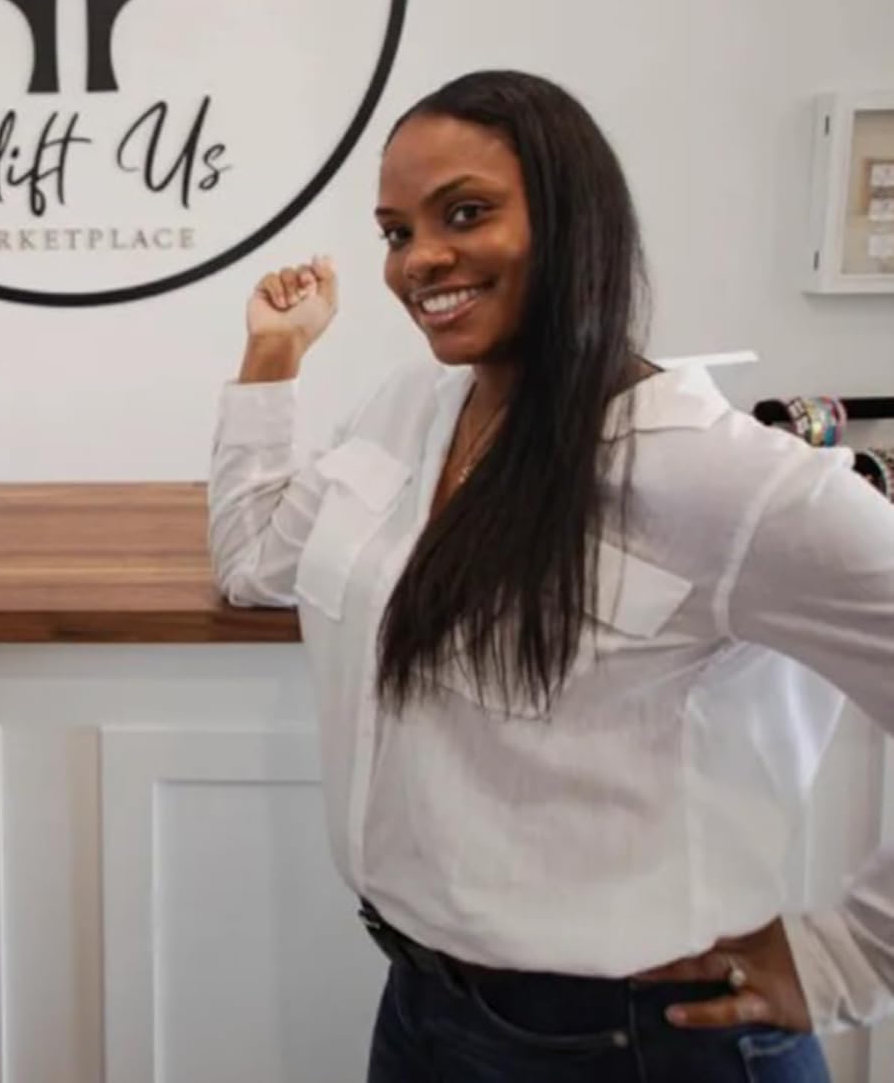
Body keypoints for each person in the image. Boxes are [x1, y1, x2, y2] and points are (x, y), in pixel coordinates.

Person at [208, 70, 894, 1081]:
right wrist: (273, 357)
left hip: (639, 1042)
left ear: (575, 219)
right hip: (423, 1011)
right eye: (396, 232)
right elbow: (255, 561)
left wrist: (847, 957)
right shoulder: (409, 410)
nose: (418, 260)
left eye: (465, 213)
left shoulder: (714, 476)